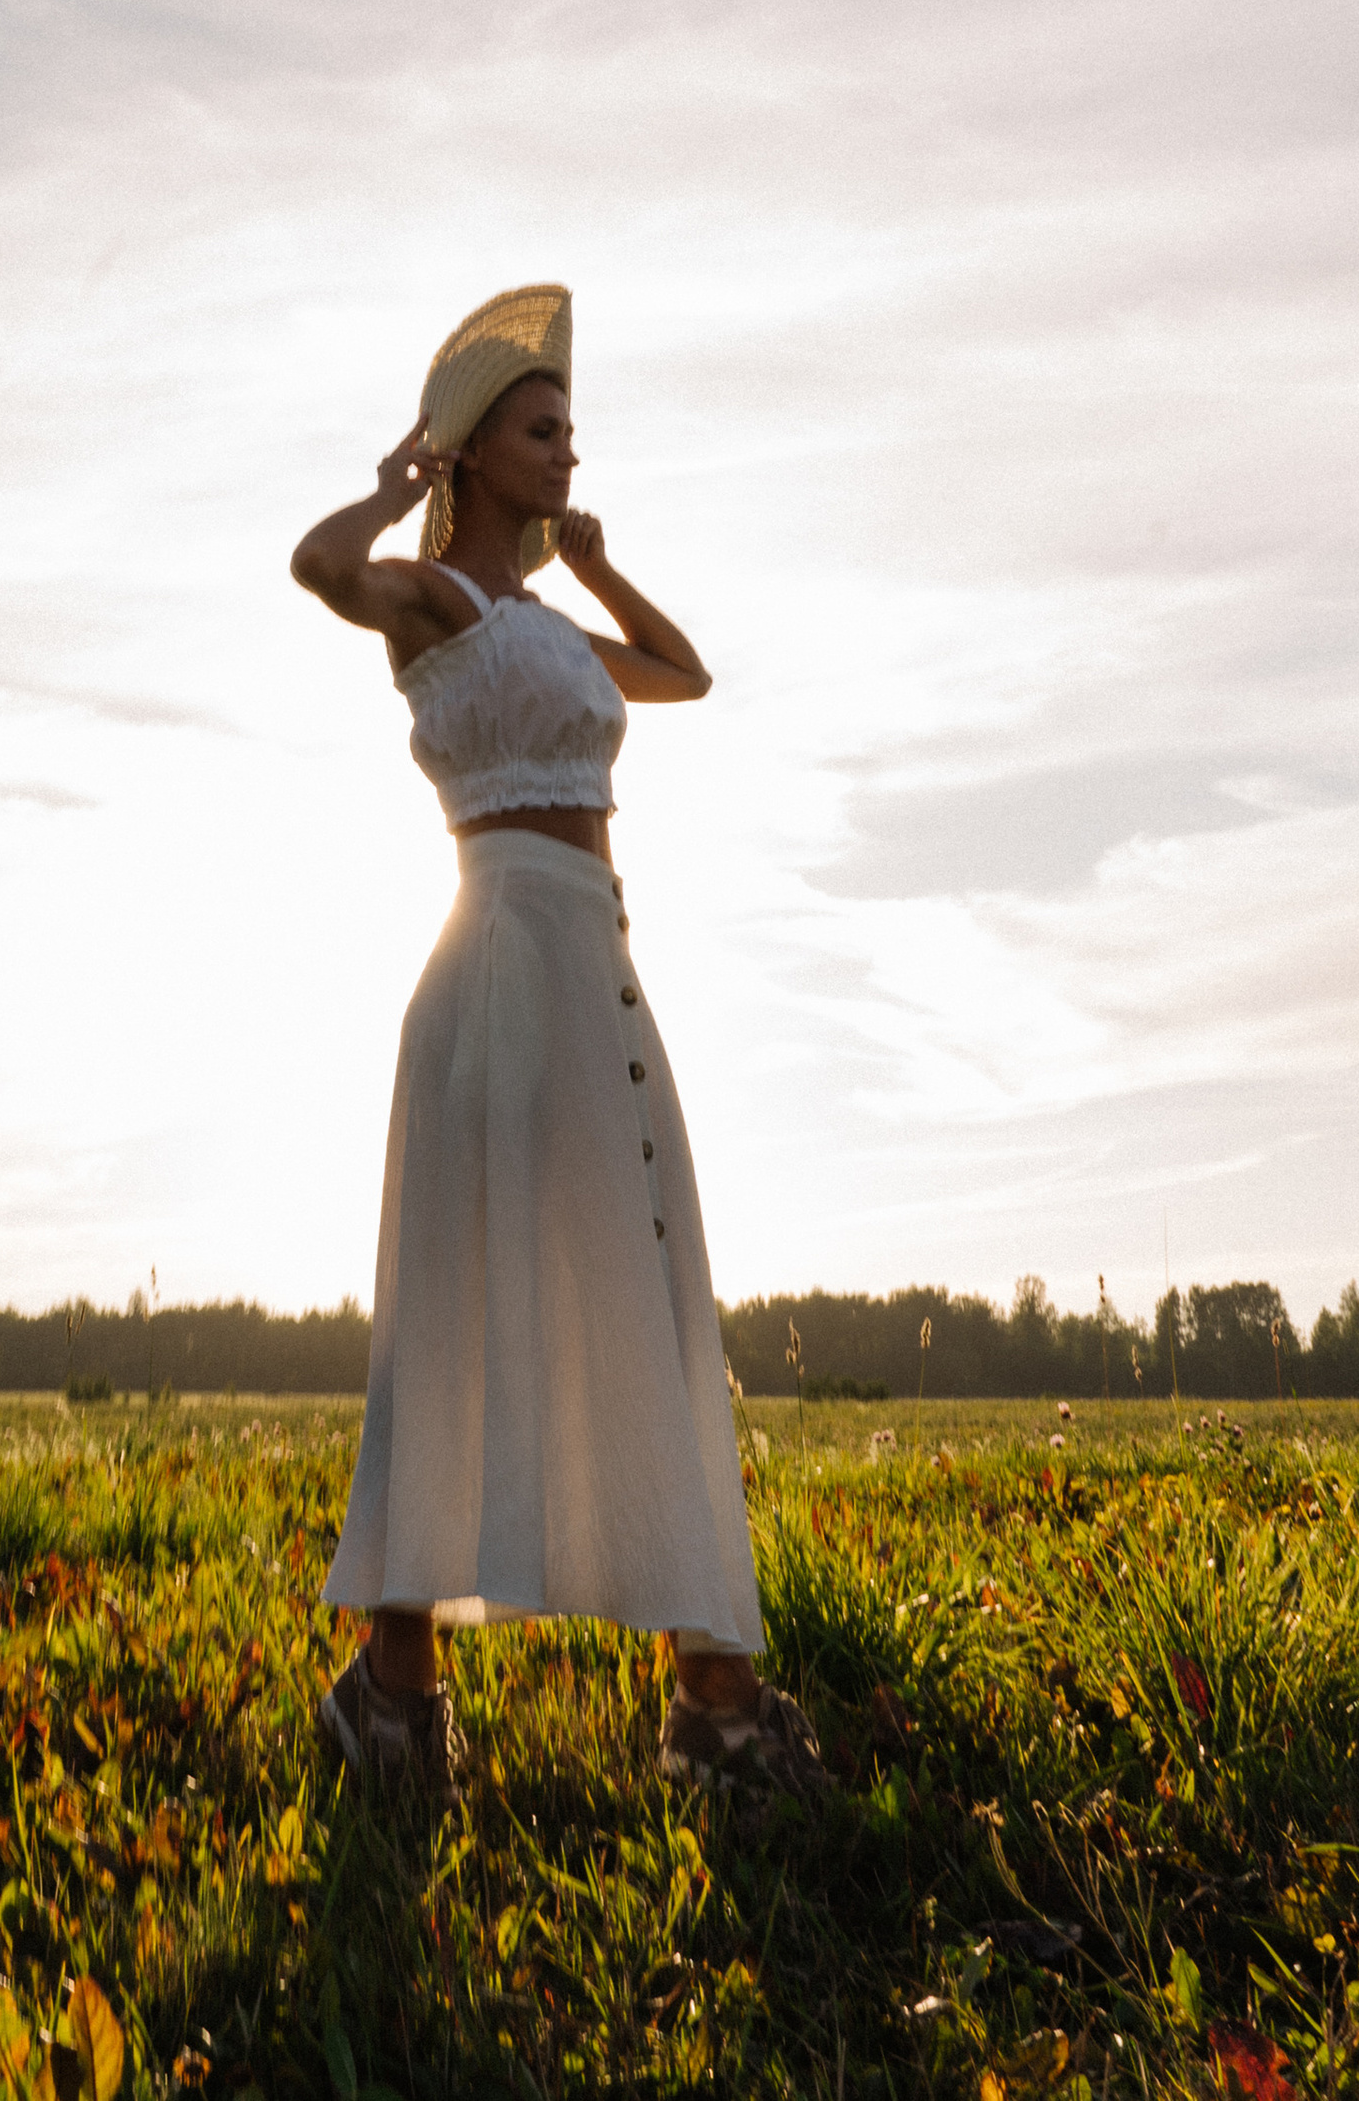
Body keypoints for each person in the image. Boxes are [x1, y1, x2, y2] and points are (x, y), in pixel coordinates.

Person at [290, 281, 824, 1802]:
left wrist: (602, 566)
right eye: (543, 432)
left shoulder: (550, 624)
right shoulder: (434, 604)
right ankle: (400, 1695)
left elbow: (683, 673)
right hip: (497, 954)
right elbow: (319, 566)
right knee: (458, 1306)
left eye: (572, 431)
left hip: (597, 955)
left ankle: (707, 1700)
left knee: (642, 1290)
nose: (569, 454)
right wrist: (398, 489)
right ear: (474, 451)